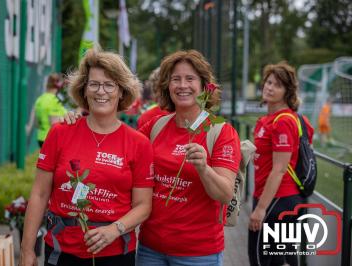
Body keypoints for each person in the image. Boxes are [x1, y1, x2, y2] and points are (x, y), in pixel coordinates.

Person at [63, 50, 241, 266]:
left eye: (190, 79)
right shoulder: (156, 127)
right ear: (167, 85)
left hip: (198, 253)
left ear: (204, 86)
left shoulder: (220, 132)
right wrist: (80, 119)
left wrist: (204, 168)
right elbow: (117, 144)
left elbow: (224, 195)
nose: (182, 85)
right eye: (176, 79)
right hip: (151, 250)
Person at [19, 47, 154, 266]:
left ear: (121, 91)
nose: (101, 91)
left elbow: (143, 206)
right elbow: (39, 194)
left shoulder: (139, 143)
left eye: (110, 84)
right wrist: (26, 251)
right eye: (94, 84)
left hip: (115, 253)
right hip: (61, 251)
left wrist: (114, 230)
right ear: (84, 89)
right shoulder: (60, 133)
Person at [248, 62, 314, 266]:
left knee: (261, 261)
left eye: (277, 85)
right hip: (276, 198)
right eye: (268, 82)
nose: (269, 87)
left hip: (278, 200)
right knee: (282, 260)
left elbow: (279, 169)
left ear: (287, 92)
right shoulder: (269, 119)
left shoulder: (283, 121)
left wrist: (260, 209)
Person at [27, 73, 67, 147]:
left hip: (41, 138)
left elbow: (36, 123)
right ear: (58, 86)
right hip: (52, 140)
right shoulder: (55, 101)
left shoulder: (39, 99)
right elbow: (55, 124)